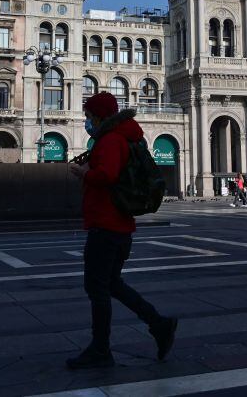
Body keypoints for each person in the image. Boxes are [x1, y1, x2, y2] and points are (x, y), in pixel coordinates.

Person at [67, 92, 178, 369]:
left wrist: (83, 173)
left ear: (99, 116)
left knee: (97, 288)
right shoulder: (122, 137)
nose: (87, 121)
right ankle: (159, 324)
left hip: (107, 225)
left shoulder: (112, 139)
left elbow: (107, 176)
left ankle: (101, 349)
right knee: (111, 283)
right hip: (117, 225)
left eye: (89, 117)